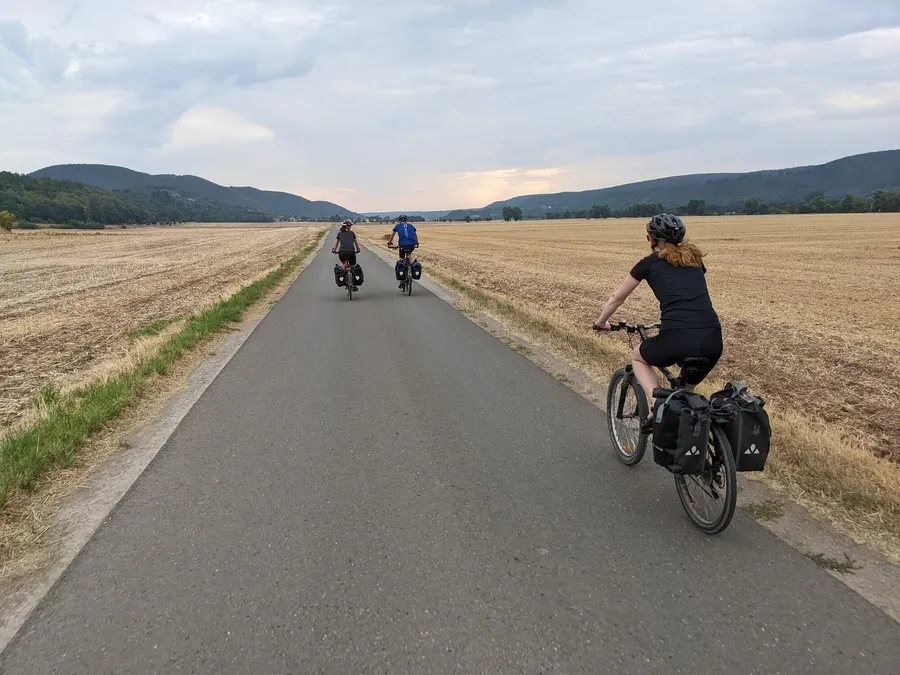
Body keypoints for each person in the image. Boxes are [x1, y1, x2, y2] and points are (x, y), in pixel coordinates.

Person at [593, 213, 722, 424]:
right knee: (685, 398)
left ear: (652, 240)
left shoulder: (649, 263)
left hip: (677, 337)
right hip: (712, 339)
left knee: (638, 357)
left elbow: (617, 299)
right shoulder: (695, 259)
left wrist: (601, 322)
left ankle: (657, 403)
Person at [387, 215, 419, 289]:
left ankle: (402, 279)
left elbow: (392, 234)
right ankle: (411, 268)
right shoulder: (411, 225)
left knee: (401, 259)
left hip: (402, 245)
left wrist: (389, 242)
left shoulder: (397, 226)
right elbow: (415, 235)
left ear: (400, 220)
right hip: (411, 245)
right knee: (409, 255)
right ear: (406, 220)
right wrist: (417, 243)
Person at [332, 221, 361, 285]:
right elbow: (356, 243)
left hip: (342, 253)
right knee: (353, 266)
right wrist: (358, 249)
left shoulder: (339, 234)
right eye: (350, 226)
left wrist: (334, 250)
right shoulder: (352, 233)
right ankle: (353, 282)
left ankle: (344, 276)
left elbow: (336, 245)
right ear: (348, 227)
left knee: (343, 264)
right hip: (351, 252)